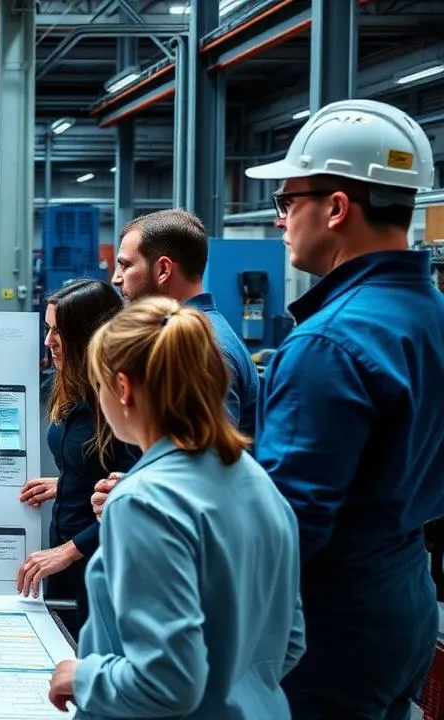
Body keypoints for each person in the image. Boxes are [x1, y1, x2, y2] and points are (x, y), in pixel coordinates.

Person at [243, 98, 444, 719]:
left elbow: (288, 526)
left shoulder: (327, 343)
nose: (280, 219)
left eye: (287, 201)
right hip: (406, 598)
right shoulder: (432, 315)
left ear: (335, 208)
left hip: (329, 626)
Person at [48, 296, 305, 718]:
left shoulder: (142, 503)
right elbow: (289, 641)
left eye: (98, 384)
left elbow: (166, 683)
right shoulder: (259, 483)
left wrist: (84, 678)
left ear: (123, 389)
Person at [16, 279, 135, 639]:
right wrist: (67, 482)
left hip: (100, 561)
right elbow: (97, 466)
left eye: (59, 332)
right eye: (48, 329)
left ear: (88, 336)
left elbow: (133, 503)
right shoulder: (76, 388)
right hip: (66, 553)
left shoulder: (120, 405)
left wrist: (70, 550)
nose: (49, 341)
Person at [111, 209, 259, 438]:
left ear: (163, 269)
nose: (116, 278)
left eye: (125, 265)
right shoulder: (192, 335)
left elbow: (208, 454)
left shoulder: (201, 348)